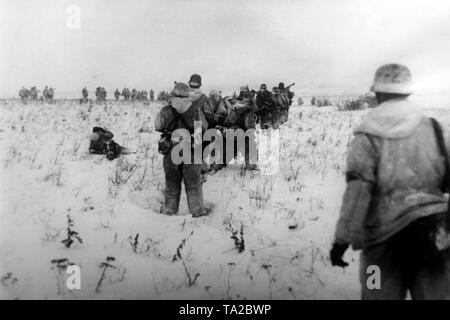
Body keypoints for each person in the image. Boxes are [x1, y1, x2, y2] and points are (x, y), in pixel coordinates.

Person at [330, 63, 450, 300]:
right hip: (434, 241)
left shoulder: (366, 137)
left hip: (379, 250)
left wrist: (341, 241)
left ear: (377, 93)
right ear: (407, 92)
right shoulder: (436, 130)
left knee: (375, 292)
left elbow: (358, 193)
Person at [155, 82, 209, 218]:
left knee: (172, 183)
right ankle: (198, 212)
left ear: (174, 92)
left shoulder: (166, 109)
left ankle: (169, 210)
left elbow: (158, 126)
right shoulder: (195, 109)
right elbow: (202, 128)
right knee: (193, 184)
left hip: (172, 149)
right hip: (191, 149)